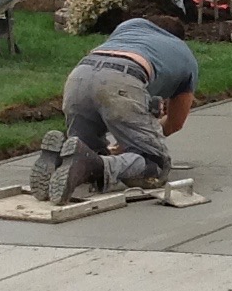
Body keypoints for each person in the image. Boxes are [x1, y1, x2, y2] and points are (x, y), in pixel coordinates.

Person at [33, 10, 199, 203]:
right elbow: (174, 123)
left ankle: (59, 159)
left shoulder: (128, 28)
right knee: (155, 165)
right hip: (124, 78)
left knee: (87, 148)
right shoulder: (185, 55)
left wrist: (127, 141)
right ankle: (90, 165)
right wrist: (139, 141)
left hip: (80, 76)